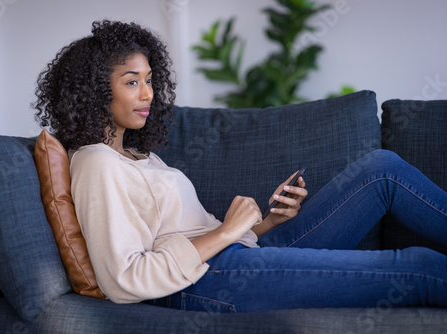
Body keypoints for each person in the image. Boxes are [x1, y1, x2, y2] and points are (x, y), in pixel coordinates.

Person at [34, 20, 447, 313]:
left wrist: (266, 223)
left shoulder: (139, 157)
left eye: (149, 79)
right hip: (208, 281)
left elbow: (196, 234)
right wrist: (227, 231)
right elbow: (125, 281)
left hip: (238, 255)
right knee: (419, 267)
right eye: (131, 81)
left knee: (381, 169)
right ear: (94, 92)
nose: (148, 93)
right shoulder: (96, 163)